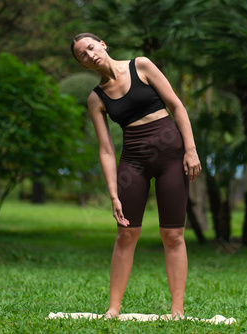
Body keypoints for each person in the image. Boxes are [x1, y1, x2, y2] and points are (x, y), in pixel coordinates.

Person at [71, 33, 202, 319]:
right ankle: (113, 310)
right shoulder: (97, 98)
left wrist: (190, 150)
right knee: (126, 234)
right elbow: (106, 150)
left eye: (91, 47)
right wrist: (113, 193)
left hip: (171, 157)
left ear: (103, 44)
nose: (89, 54)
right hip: (134, 163)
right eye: (82, 55)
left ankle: (177, 311)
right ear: (83, 64)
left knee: (173, 234)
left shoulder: (141, 66)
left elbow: (177, 106)